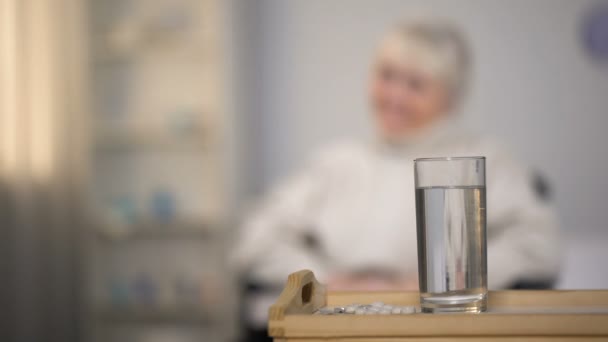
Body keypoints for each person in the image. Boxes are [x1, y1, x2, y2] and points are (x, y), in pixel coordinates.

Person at [232, 18, 560, 340]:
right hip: (338, 328)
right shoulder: (335, 162)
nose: (394, 96)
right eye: (386, 76)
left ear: (451, 97)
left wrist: (435, 283)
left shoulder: (483, 161)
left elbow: (539, 248)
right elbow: (255, 240)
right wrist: (324, 279)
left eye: (415, 84)